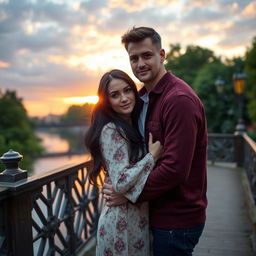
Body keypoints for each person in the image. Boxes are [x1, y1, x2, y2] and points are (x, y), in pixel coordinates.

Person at [103, 27, 208, 256]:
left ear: (162, 55)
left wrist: (129, 194)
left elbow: (175, 169)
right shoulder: (140, 99)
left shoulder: (178, 100)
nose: (140, 63)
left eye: (147, 55)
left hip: (176, 219)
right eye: (134, 58)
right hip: (152, 214)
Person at [85, 69, 162, 255]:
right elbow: (120, 182)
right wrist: (151, 157)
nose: (124, 98)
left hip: (135, 220)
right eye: (115, 95)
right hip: (120, 225)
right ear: (107, 101)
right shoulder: (112, 131)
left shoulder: (131, 126)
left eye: (127, 90)